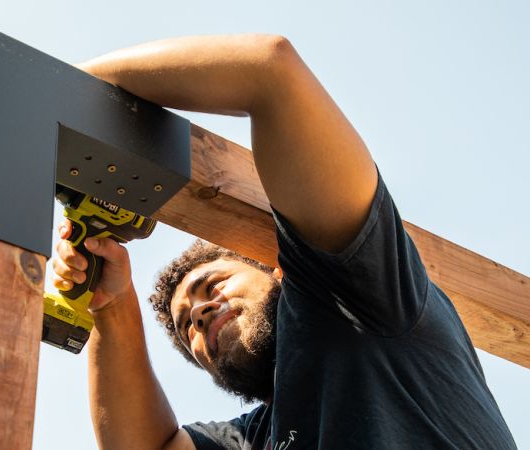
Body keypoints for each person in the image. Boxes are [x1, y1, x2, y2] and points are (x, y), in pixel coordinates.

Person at [52, 35, 517, 449]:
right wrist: (111, 308)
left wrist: (66, 90)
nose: (198, 312)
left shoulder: (357, 297)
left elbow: (270, 72)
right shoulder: (257, 436)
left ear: (276, 271)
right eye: (186, 326)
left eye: (211, 283)